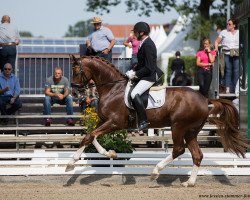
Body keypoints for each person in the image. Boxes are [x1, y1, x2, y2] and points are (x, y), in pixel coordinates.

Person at [126, 22, 164, 131]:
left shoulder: (148, 45)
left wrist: (136, 74)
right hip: (144, 75)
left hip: (149, 77)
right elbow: (143, 63)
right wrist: (133, 69)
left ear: (141, 32)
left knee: (134, 94)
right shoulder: (143, 43)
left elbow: (149, 67)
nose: (134, 35)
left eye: (136, 32)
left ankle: (143, 120)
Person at [214, 18, 239, 94]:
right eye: (227, 24)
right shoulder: (224, 32)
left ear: (234, 25)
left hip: (237, 53)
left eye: (230, 24)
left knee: (236, 71)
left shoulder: (239, 32)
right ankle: (227, 88)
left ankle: (235, 89)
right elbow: (216, 41)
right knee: (228, 71)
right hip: (226, 53)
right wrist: (216, 49)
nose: (228, 25)